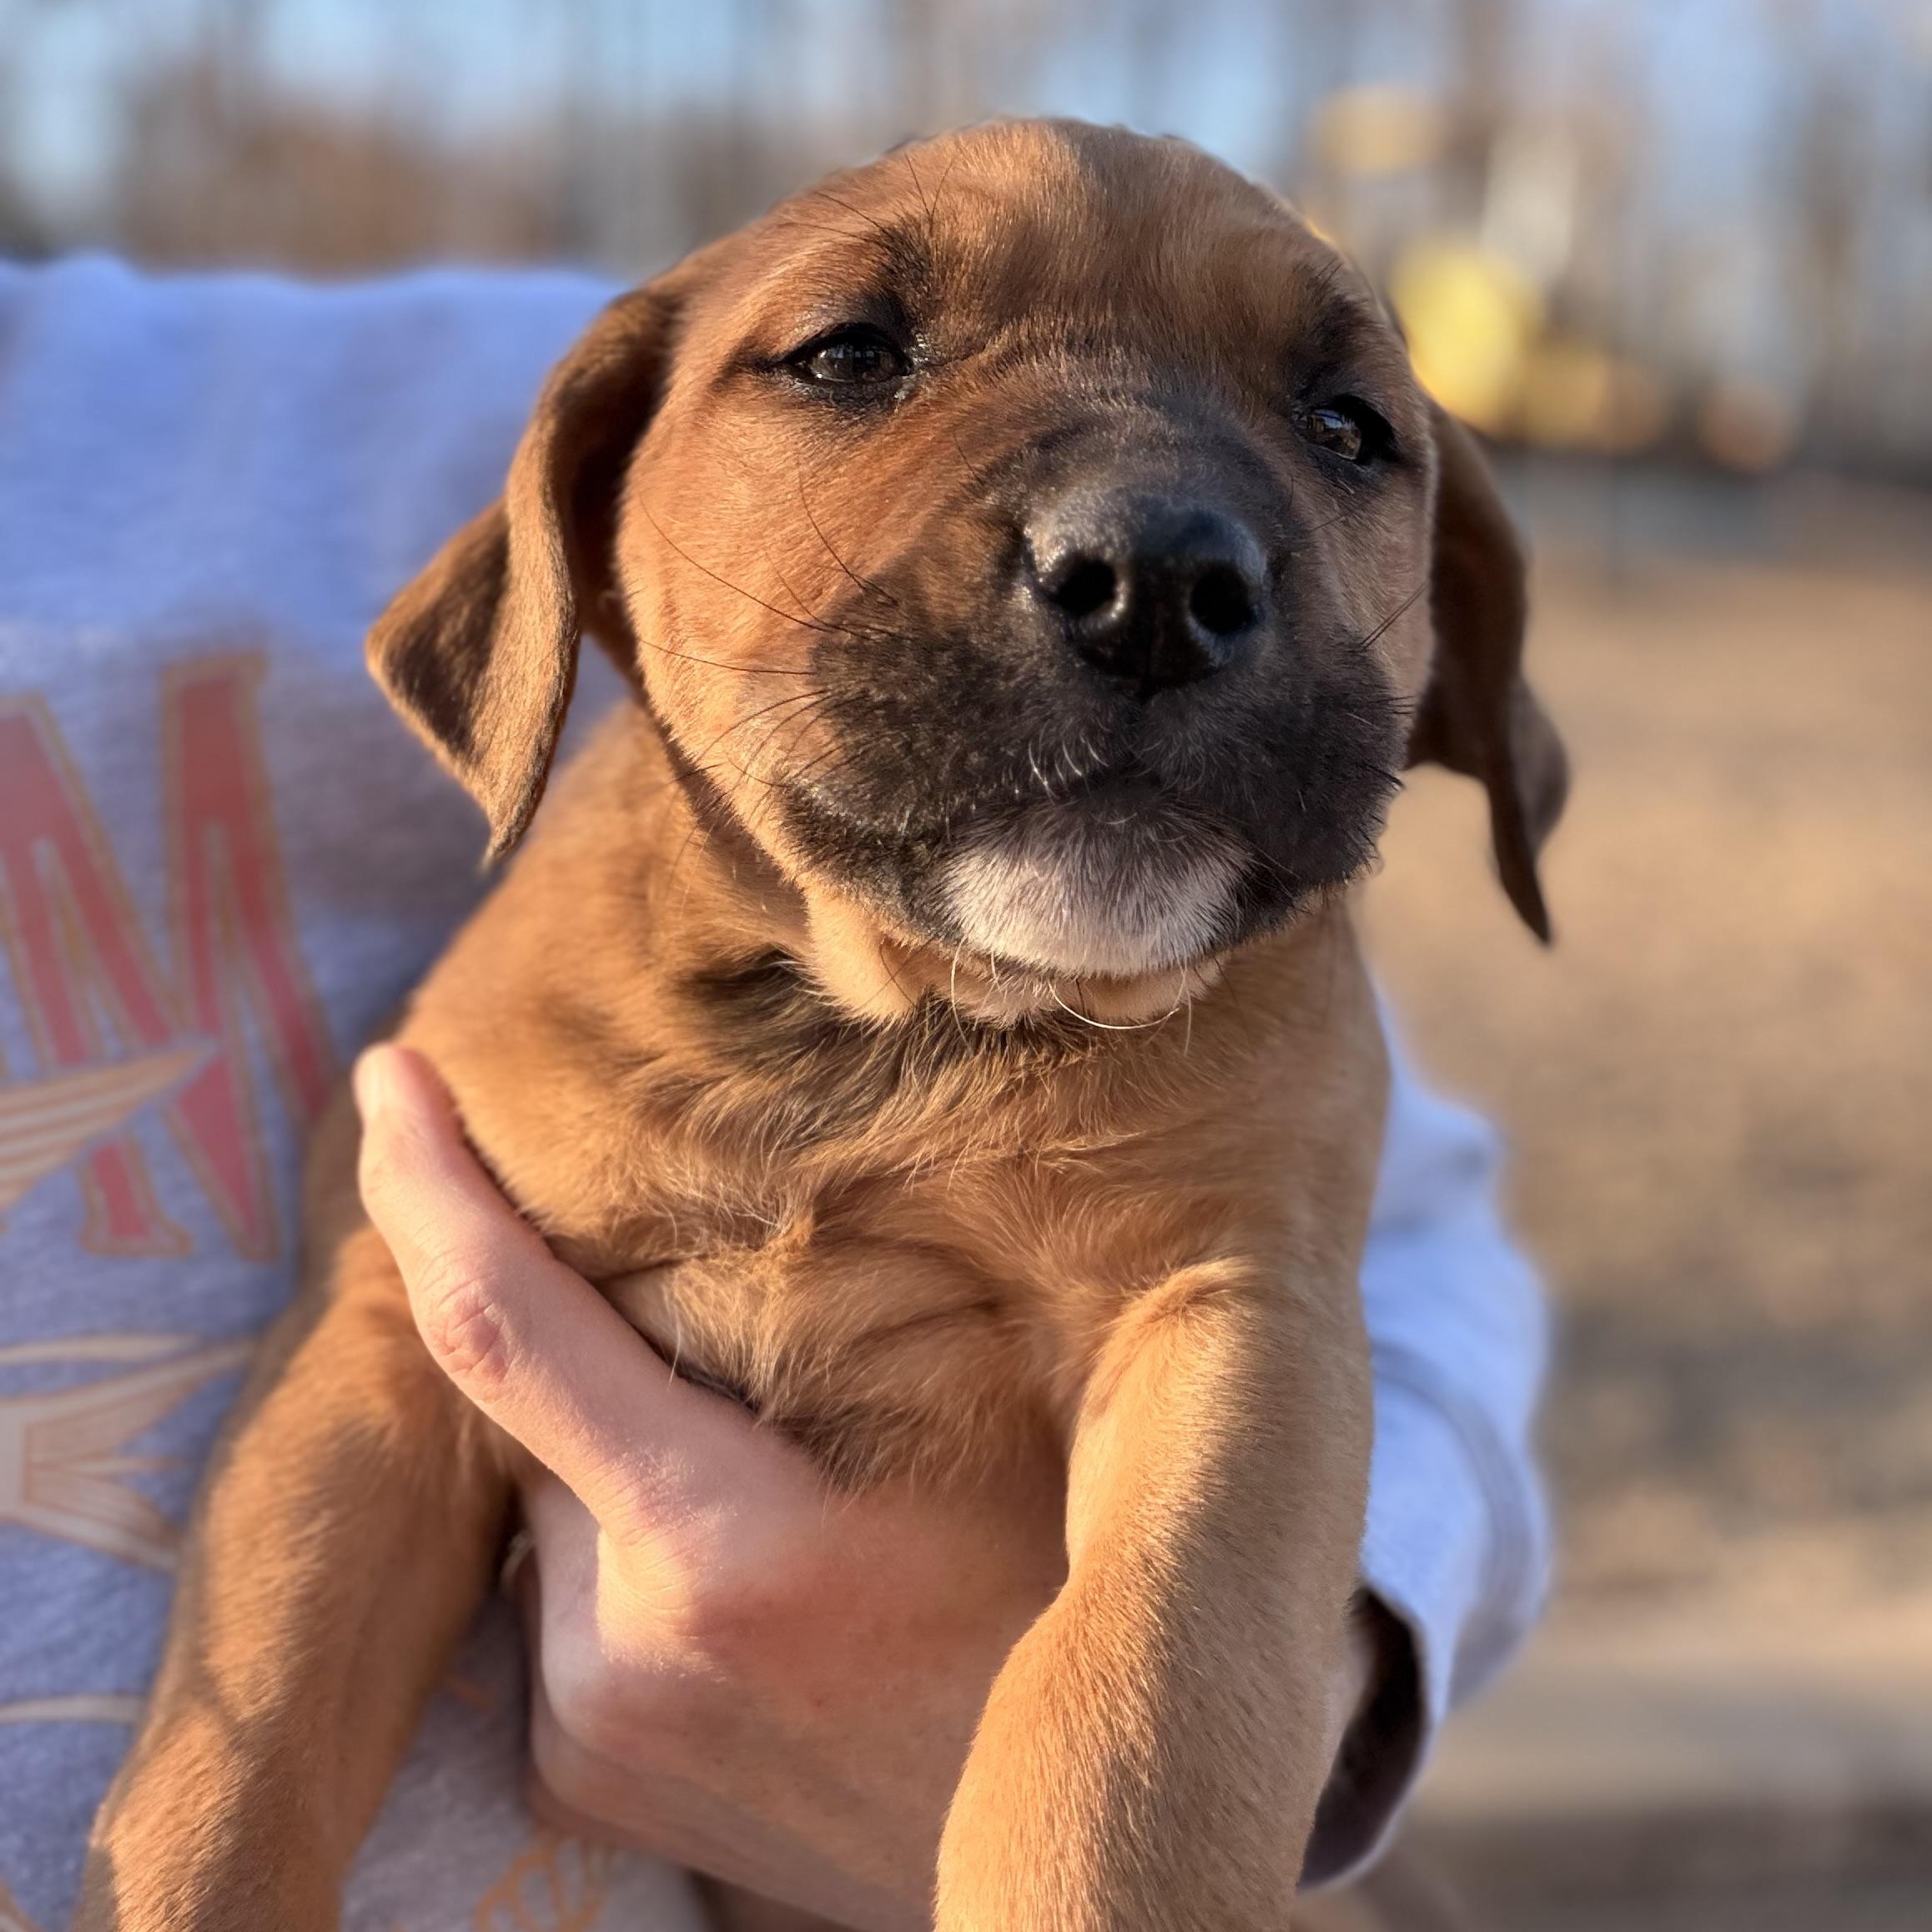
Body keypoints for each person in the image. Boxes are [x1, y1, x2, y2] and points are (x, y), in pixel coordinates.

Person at [0, 255, 1547, 1932]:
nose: (1152, 551)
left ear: (1454, 629)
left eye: (1342, 425)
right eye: (862, 358)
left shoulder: (459, 368)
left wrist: (1288, 1704)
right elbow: (392, 1380)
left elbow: (1382, 1252)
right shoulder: (548, 973)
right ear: (586, 552)